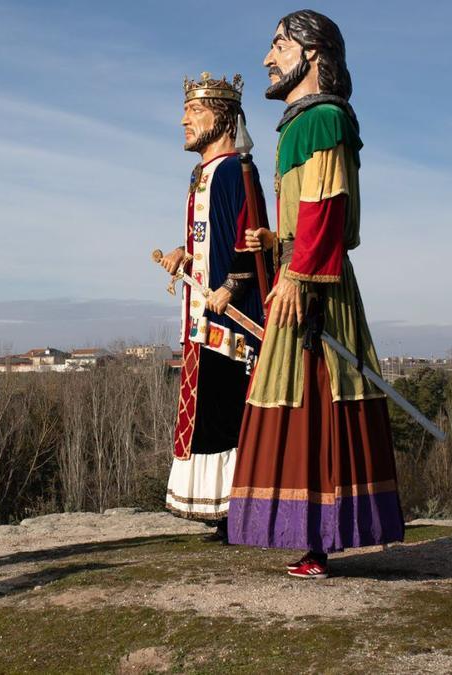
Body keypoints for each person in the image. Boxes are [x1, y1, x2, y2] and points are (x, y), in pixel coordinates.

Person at [228, 9, 404, 578]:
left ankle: (320, 538)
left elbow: (325, 209)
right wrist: (272, 240)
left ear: (313, 55)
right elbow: (305, 213)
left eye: (279, 45)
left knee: (315, 403)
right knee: (296, 403)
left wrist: (299, 276)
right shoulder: (298, 124)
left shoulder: (322, 118)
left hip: (314, 288)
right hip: (299, 273)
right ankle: (308, 538)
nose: (267, 58)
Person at [160, 72, 268, 540]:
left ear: (223, 120)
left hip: (233, 317)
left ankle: (239, 511)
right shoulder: (200, 173)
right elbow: (208, 237)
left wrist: (234, 283)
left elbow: (251, 235)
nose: (184, 121)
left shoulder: (236, 170)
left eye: (195, 112)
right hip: (201, 315)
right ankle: (220, 509)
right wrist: (184, 253)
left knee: (228, 412)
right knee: (206, 409)